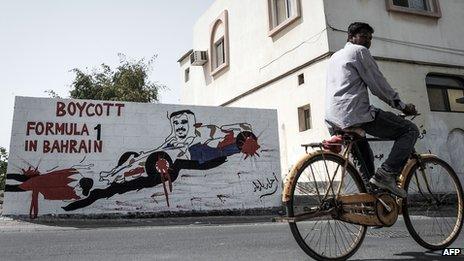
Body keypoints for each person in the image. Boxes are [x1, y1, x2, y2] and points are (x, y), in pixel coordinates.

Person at [325, 22, 419, 198]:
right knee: (410, 130)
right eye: (363, 36)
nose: (367, 41)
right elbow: (378, 84)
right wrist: (402, 106)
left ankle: (373, 207)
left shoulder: (335, 56)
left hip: (334, 118)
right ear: (351, 37)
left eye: (370, 38)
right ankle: (387, 174)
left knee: (367, 168)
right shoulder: (359, 52)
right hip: (354, 114)